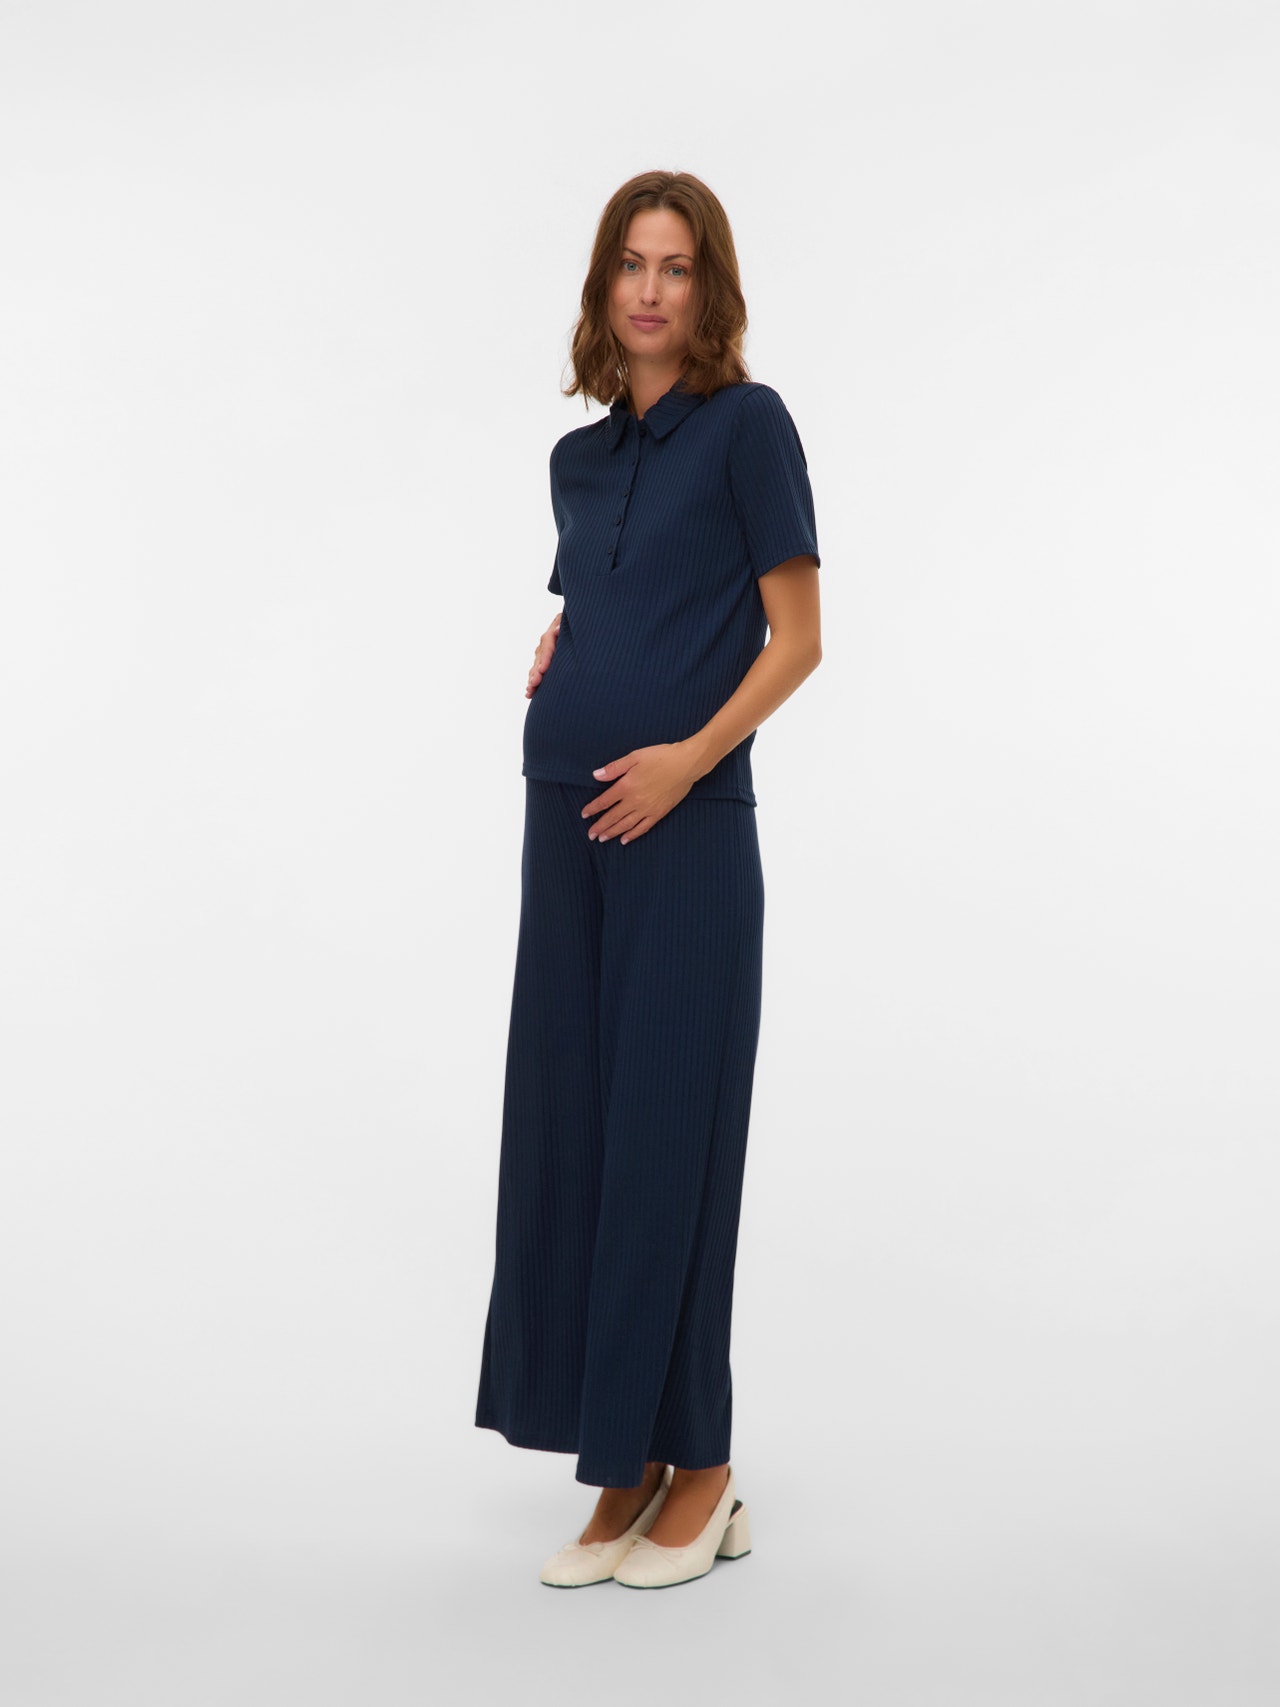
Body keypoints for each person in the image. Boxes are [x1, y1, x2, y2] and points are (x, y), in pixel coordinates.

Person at [474, 169, 822, 1589]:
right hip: (564, 823)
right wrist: (565, 649)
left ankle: (705, 1465)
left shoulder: (750, 427)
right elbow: (602, 599)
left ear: (709, 288)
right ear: (603, 284)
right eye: (632, 262)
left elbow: (797, 639)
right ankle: (619, 1460)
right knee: (575, 1135)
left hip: (685, 828)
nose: (651, 289)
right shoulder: (581, 459)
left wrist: (682, 759)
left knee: (672, 1139)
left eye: (677, 266)